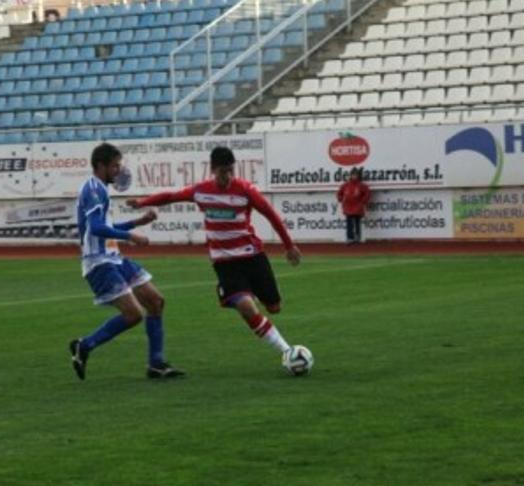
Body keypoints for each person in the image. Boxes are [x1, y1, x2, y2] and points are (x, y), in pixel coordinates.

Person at [127, 146, 302, 362]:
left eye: (230, 171)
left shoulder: (246, 190)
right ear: (212, 169)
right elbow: (171, 197)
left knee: (274, 308)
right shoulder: (201, 191)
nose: (227, 177)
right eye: (222, 172)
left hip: (253, 257)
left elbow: (271, 215)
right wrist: (142, 202)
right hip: (225, 262)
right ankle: (287, 351)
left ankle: (237, 292)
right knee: (246, 307)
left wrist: (289, 245)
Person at [69, 143, 185, 381]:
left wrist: (138, 222)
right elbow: (98, 228)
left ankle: (156, 364)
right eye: (114, 165)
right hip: (98, 262)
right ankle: (85, 345)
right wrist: (131, 236)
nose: (117, 170)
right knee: (133, 315)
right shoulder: (92, 189)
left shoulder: (100, 188)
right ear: (101, 165)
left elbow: (108, 227)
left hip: (114, 258)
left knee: (155, 301)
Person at [336, 168, 371, 245]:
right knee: (349, 223)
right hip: (348, 207)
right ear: (350, 175)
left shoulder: (362, 186)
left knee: (357, 223)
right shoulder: (345, 185)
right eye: (353, 175)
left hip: (358, 207)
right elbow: (339, 193)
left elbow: (367, 194)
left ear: (358, 176)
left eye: (356, 175)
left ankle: (357, 238)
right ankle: (350, 238)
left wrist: (362, 201)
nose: (354, 176)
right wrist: (341, 199)